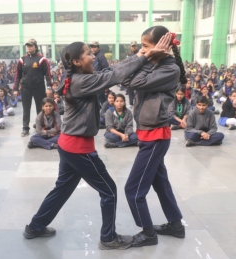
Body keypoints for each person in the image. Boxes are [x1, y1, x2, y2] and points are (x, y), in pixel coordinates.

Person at [23, 40, 169, 250]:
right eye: (87, 54)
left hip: (68, 144)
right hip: (78, 148)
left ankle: (35, 227)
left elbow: (111, 70)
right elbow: (114, 75)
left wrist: (142, 55)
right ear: (76, 61)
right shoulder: (81, 82)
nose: (93, 56)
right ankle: (108, 238)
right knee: (109, 190)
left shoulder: (77, 77)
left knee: (61, 190)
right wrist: (143, 56)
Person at [124, 27, 186, 247]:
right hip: (147, 132)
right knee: (161, 183)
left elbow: (135, 83)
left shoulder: (169, 69)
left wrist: (147, 60)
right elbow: (124, 79)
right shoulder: (156, 63)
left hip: (155, 136)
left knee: (133, 189)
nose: (142, 51)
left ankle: (148, 233)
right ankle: (176, 225)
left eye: (146, 47)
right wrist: (145, 57)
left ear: (163, 46)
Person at [14, 39, 52, 137]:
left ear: (35, 47)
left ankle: (39, 127)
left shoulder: (42, 59)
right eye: (27, 45)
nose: (29, 47)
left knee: (40, 109)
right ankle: (25, 128)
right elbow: (18, 75)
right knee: (26, 109)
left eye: (31, 45)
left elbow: (48, 75)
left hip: (39, 88)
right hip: (26, 88)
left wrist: (49, 87)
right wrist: (15, 88)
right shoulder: (22, 59)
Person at [90, 41, 110, 106]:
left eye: (95, 47)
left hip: (100, 82)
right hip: (94, 82)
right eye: (92, 47)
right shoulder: (92, 57)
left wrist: (106, 83)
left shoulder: (101, 56)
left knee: (101, 101)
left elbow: (106, 69)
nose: (93, 48)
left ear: (98, 48)